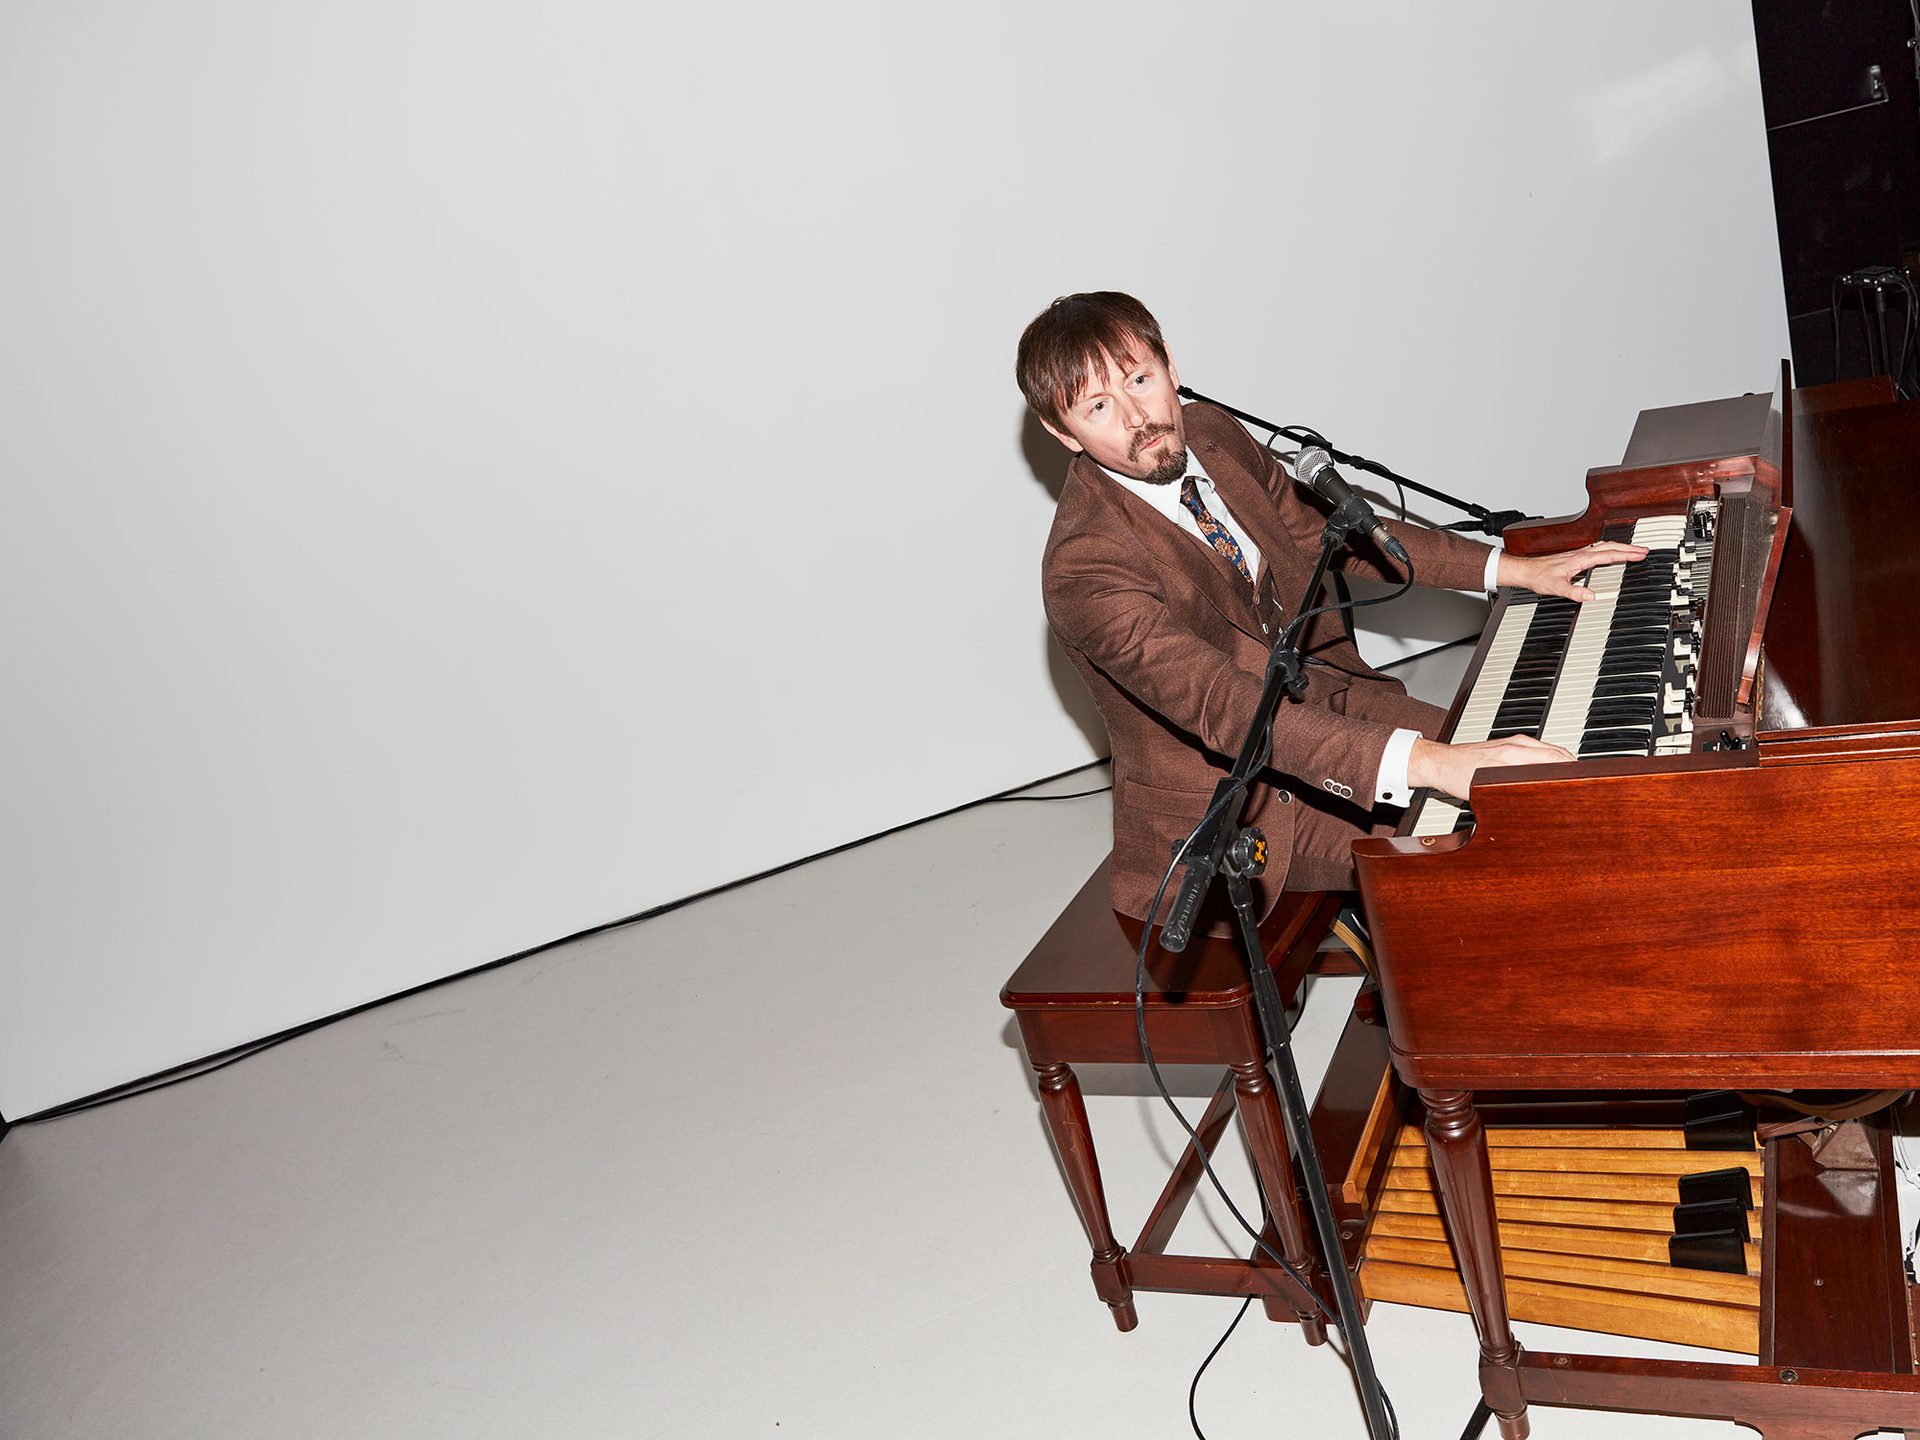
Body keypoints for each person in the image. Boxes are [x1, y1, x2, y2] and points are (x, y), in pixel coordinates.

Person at [1017, 292, 1644, 922]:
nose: (1138, 417)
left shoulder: (1211, 433)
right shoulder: (1084, 568)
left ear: (1171, 367)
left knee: (1549, 773)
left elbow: (1325, 534)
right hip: (1237, 807)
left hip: (1334, 700)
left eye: (1139, 380)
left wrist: (1512, 569)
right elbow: (1227, 708)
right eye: (1098, 407)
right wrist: (1432, 763)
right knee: (1505, 854)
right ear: (1063, 433)